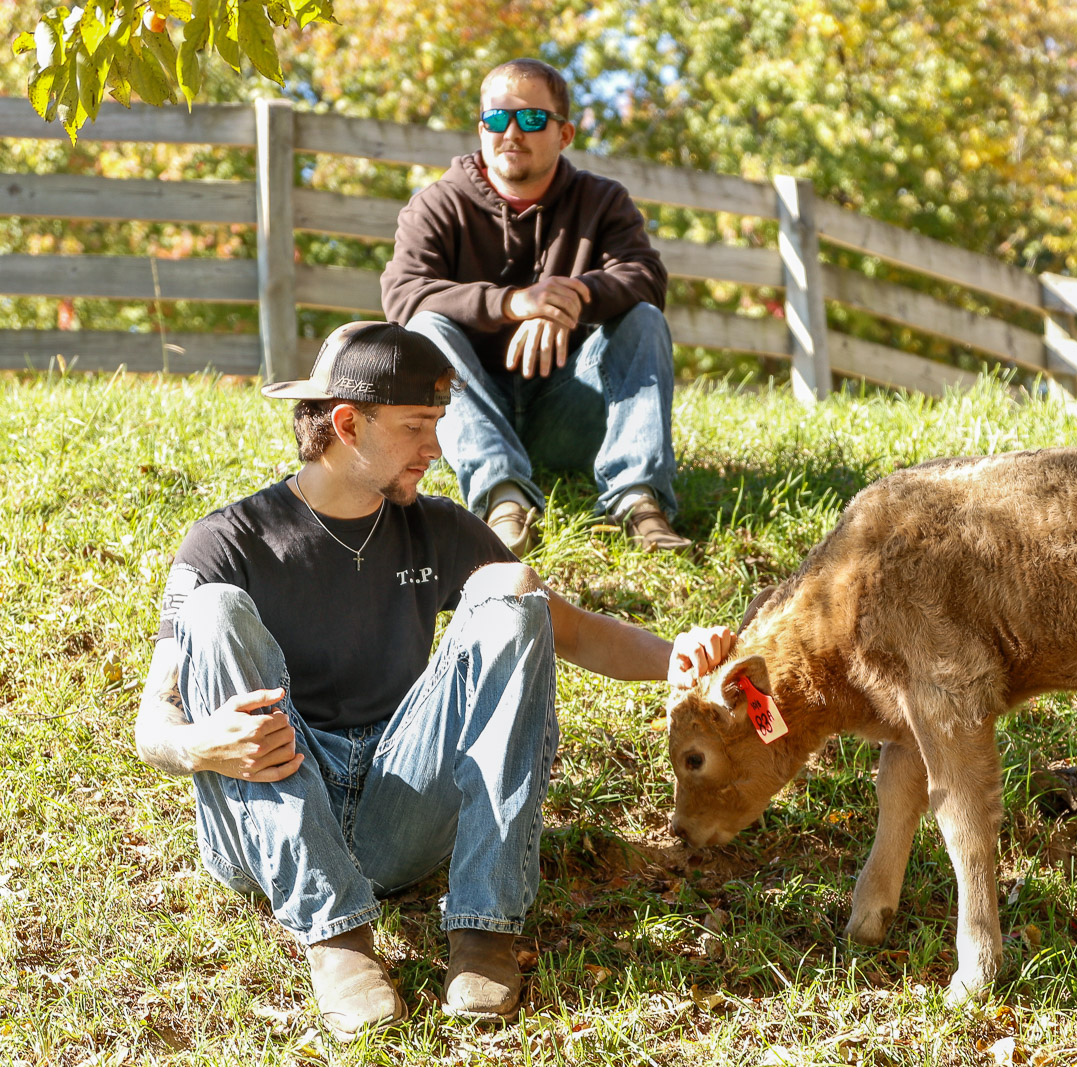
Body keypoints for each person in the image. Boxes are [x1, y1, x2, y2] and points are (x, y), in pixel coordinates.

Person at [134, 321, 733, 1040]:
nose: (436, 448)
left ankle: (483, 927)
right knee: (216, 609)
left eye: (439, 424)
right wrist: (203, 745)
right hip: (262, 818)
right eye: (418, 425)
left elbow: (569, 629)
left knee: (513, 589)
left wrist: (681, 658)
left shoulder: (435, 529)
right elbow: (153, 723)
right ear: (348, 425)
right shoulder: (227, 540)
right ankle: (337, 938)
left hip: (397, 806)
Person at [380, 57, 688, 555]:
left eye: (530, 119)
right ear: (481, 128)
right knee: (425, 327)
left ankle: (637, 499)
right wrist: (514, 303)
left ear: (565, 134)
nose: (511, 133)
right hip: (468, 409)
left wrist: (571, 296)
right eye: (497, 118)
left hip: (569, 407)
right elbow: (404, 294)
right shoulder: (437, 203)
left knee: (644, 320)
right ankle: (503, 499)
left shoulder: (603, 201)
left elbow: (646, 277)